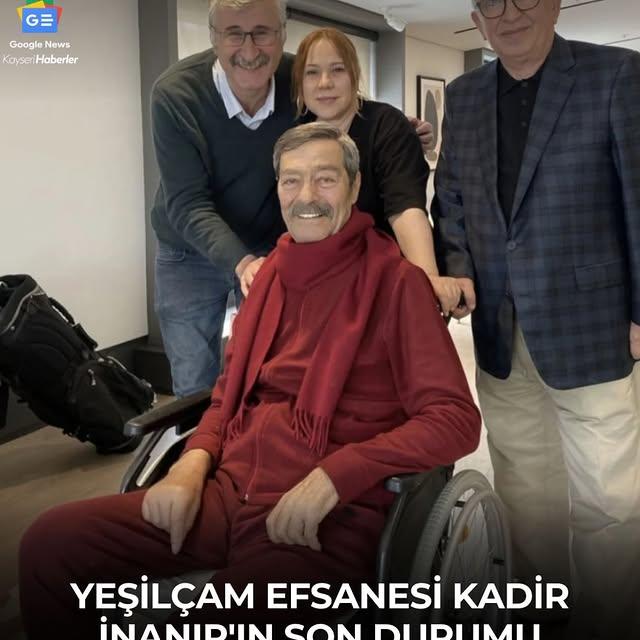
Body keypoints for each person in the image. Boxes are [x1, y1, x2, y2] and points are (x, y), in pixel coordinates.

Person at [19, 123, 480, 639]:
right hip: (226, 494)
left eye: (326, 179)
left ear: (353, 188)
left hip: (326, 520)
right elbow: (226, 397)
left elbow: (455, 419)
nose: (306, 196)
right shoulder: (268, 279)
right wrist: (191, 465)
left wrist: (337, 475)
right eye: (291, 180)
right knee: (50, 545)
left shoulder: (397, 285)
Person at [431, 0, 640, 636]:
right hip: (498, 325)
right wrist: (458, 266)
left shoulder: (616, 75)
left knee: (609, 498)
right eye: (491, 2)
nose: (509, 13)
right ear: (476, 18)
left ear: (553, 4)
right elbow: (452, 198)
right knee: (525, 493)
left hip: (592, 321)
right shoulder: (464, 95)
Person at [151, 0, 433, 397]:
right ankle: (203, 437)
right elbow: (187, 203)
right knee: (195, 381)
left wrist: (400, 129)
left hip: (268, 243)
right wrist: (243, 263)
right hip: (190, 252)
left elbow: (342, 109)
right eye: (234, 34)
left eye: (262, 32)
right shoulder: (176, 94)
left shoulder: (296, 76)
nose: (250, 50)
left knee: (269, 370)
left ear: (283, 34)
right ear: (213, 38)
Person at [242, 27, 461, 315]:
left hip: (384, 276)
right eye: (312, 73)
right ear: (300, 83)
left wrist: (427, 278)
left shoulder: (386, 125)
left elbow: (405, 209)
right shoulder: (295, 135)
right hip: (322, 279)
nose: (325, 83)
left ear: (354, 75)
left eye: (337, 70)